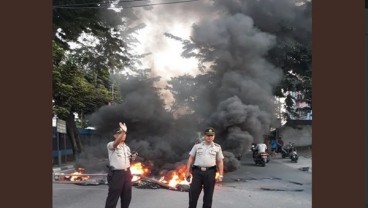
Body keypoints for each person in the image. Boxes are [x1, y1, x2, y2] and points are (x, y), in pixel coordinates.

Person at [185, 127, 224, 208]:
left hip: (210, 173)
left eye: (211, 135)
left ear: (214, 136)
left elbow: (220, 161)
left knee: (208, 196)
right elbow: (191, 158)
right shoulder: (197, 146)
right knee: (193, 193)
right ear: (204, 136)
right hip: (197, 172)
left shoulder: (217, 147)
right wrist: (187, 171)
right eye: (208, 135)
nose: (209, 137)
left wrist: (221, 175)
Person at [105, 122, 137, 208]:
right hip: (116, 175)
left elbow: (128, 161)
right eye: (120, 133)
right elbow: (115, 144)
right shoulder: (110, 145)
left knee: (127, 197)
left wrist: (132, 158)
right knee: (113, 197)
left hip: (127, 174)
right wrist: (123, 131)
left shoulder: (127, 147)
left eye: (124, 134)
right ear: (115, 136)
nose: (124, 135)